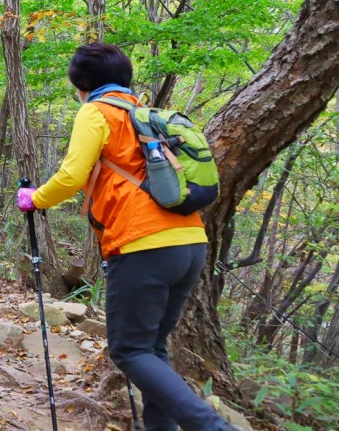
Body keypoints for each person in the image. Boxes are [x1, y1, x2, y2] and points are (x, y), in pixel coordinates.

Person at [16, 43, 233, 431]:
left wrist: (35, 199)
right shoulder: (144, 116)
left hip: (142, 244)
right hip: (190, 243)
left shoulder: (96, 112)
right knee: (151, 348)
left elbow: (71, 176)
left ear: (82, 84)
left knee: (130, 350)